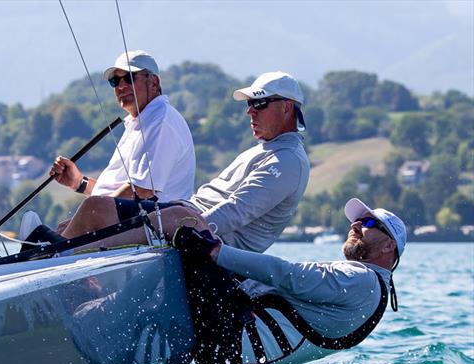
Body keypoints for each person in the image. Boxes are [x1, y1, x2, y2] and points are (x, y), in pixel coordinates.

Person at [21, 71, 309, 254]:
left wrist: (181, 226)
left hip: (199, 235)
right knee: (81, 218)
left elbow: (234, 214)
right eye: (248, 105)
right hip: (184, 219)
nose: (250, 112)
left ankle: (52, 256)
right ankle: (57, 251)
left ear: (286, 108)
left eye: (259, 104)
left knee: (95, 210)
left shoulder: (287, 162)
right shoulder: (266, 151)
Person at [168, 198, 407, 364]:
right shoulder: (372, 291)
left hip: (226, 343)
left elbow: (287, 275)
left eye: (369, 223)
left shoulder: (362, 280)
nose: (355, 225)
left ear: (389, 245)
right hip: (230, 359)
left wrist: (214, 251)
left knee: (179, 219)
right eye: (356, 221)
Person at [20, 50, 195, 244]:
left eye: (129, 78)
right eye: (115, 82)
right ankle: (49, 251)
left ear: (154, 82)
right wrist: (79, 183)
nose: (121, 86)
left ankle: (46, 256)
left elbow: (143, 190)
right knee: (73, 221)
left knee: (92, 209)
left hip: (160, 225)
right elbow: (122, 191)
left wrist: (91, 216)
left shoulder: (161, 120)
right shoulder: (140, 122)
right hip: (141, 217)